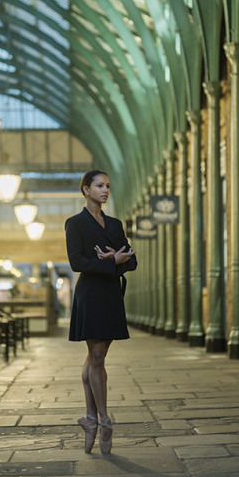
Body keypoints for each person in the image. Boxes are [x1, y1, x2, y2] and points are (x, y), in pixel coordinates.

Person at [65, 169, 137, 454]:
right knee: (96, 357)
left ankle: (90, 419)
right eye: (99, 185)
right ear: (85, 189)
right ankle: (105, 419)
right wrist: (111, 262)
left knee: (95, 358)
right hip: (90, 295)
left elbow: (131, 261)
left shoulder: (115, 225)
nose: (105, 190)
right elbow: (76, 262)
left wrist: (115, 260)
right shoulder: (75, 223)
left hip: (110, 294)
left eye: (107, 186)